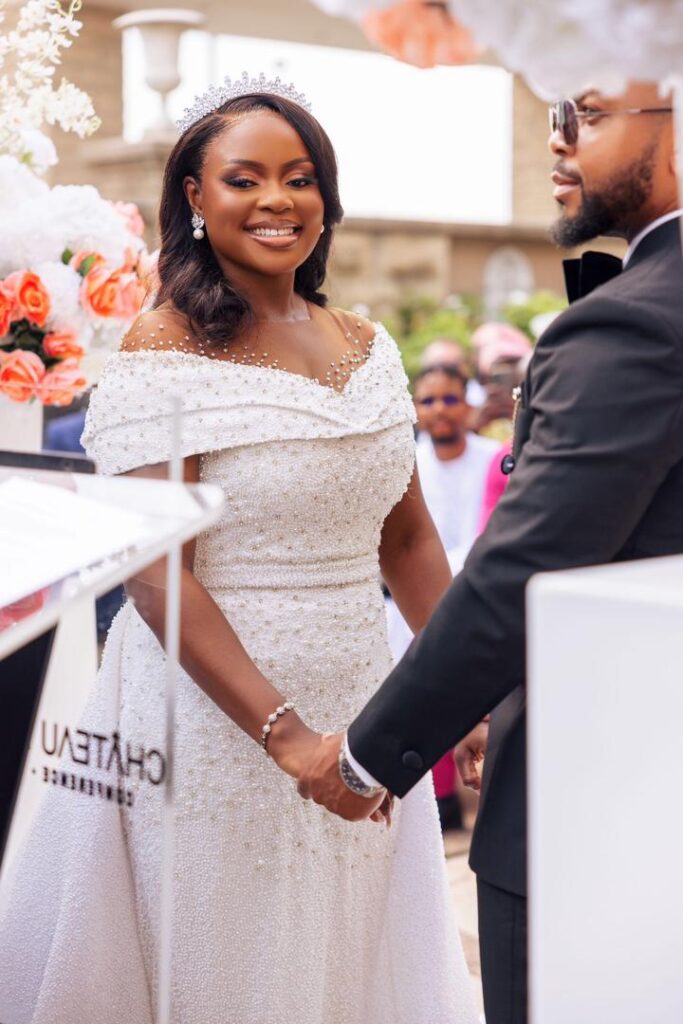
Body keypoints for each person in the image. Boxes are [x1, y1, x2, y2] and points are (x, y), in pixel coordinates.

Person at [0, 80, 479, 1024]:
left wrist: (464, 683)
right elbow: (153, 573)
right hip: (217, 717)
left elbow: (408, 533)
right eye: (244, 178)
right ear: (193, 195)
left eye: (300, 179)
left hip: (369, 707)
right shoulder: (163, 346)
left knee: (351, 954)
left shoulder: (370, 345)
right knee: (235, 963)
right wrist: (288, 738)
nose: (276, 201)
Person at [295, 80, 683, 1024]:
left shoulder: (636, 320)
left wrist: (364, 757)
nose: (554, 142)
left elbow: (525, 566)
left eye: (582, 115)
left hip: (601, 807)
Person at [385, 363, 498, 830]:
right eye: (428, 401)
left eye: (450, 398)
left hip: (477, 594)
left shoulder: (494, 458)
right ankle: (433, 800)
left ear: (467, 405)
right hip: (410, 604)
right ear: (415, 409)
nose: (440, 410)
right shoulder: (405, 463)